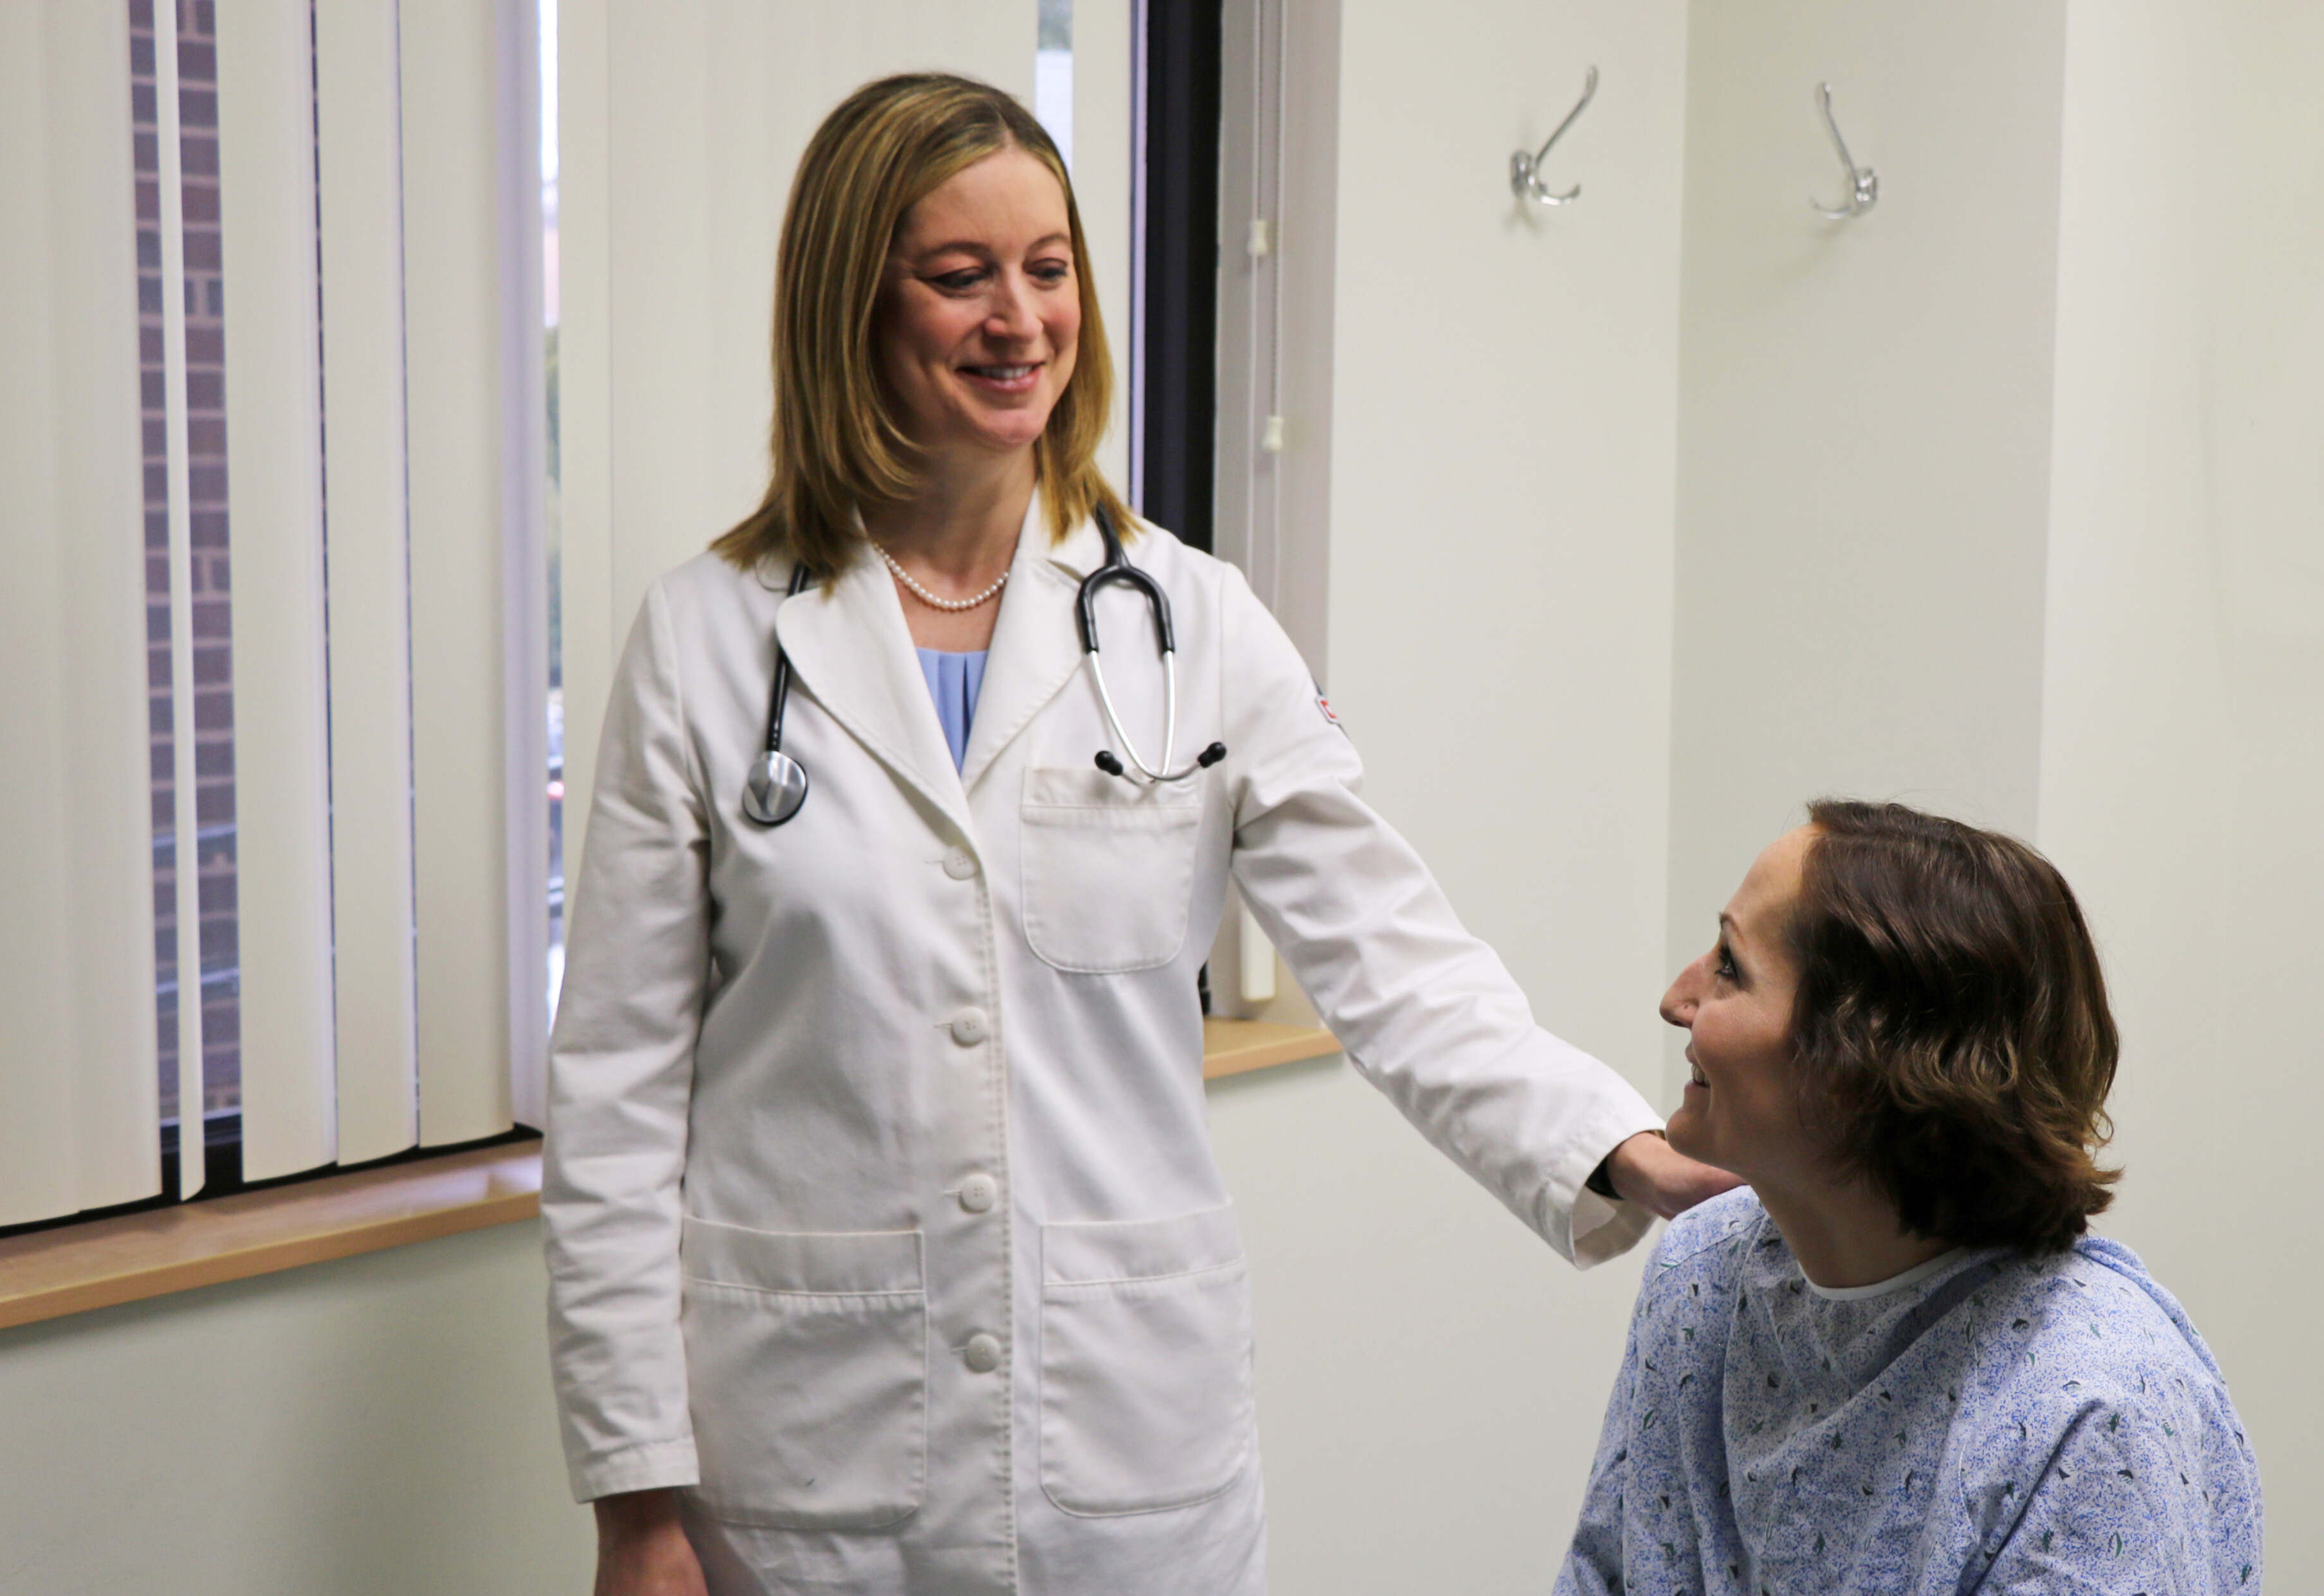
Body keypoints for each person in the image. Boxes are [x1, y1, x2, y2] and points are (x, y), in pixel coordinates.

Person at [544, 72, 1731, 1596]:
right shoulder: (709, 640)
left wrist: (1610, 1142)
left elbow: (1391, 955)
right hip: (806, 1465)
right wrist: (635, 1502)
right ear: (852, 305)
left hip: (1125, 1457)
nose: (1017, 318)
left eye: (1047, 270)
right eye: (958, 275)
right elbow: (618, 1099)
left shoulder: (1189, 621)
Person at [1556, 801, 2265, 1595]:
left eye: (1729, 963)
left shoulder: (2091, 1406)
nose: (1677, 998)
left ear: (1857, 1066)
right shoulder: (1700, 1276)